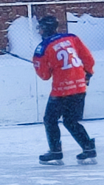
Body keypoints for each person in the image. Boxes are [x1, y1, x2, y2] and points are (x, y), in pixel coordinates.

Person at [32, 15, 98, 165]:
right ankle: (88, 147)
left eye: (41, 28)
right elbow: (89, 59)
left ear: (45, 29)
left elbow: (44, 76)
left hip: (61, 90)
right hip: (80, 86)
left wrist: (41, 65)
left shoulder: (42, 48)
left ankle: (55, 151)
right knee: (71, 121)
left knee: (50, 120)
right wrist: (88, 74)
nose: (40, 31)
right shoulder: (72, 38)